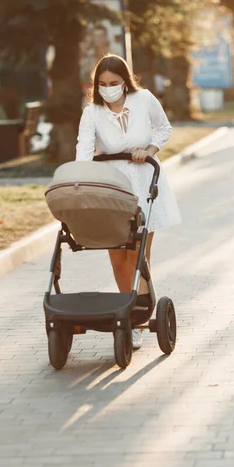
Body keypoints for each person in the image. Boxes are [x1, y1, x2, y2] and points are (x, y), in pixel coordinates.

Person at [76, 54, 181, 350]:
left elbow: (164, 128)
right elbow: (84, 148)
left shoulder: (144, 99)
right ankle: (131, 315)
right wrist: (81, 178)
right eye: (102, 84)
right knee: (116, 255)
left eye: (114, 83)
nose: (108, 89)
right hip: (112, 185)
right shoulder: (92, 113)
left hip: (143, 181)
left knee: (137, 255)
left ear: (125, 82)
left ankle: (137, 317)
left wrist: (149, 149)